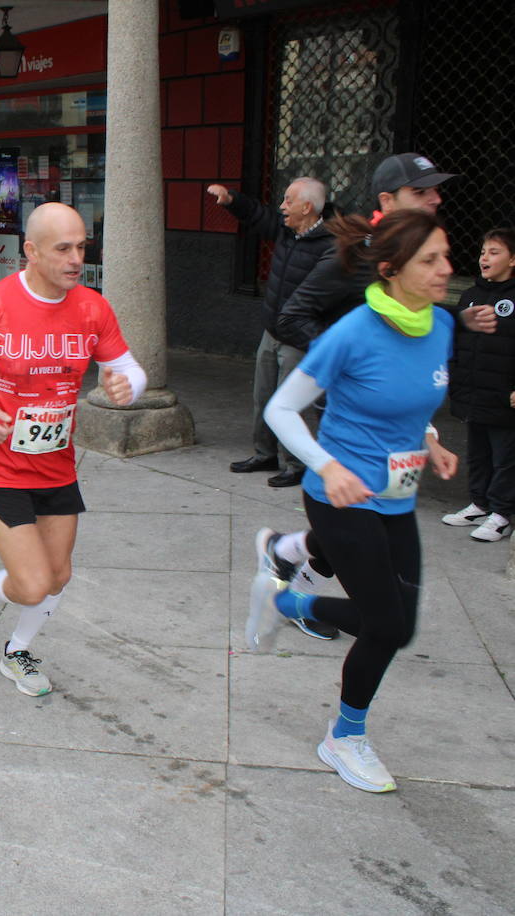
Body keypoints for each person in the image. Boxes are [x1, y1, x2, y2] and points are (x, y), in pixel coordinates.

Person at [248, 209, 458, 794]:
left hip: (396, 497)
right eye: (430, 260)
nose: (446, 269)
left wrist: (432, 443)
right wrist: (327, 465)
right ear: (391, 270)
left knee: (397, 627)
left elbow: (412, 403)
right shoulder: (353, 332)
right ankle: (344, 736)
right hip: (339, 498)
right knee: (386, 625)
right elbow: (281, 410)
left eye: (445, 256)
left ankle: (288, 606)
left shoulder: (440, 326)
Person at [0, 202, 146, 697]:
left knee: (57, 576)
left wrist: (129, 386)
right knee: (34, 582)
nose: (76, 258)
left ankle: (16, 648)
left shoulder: (91, 307)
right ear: (31, 251)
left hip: (57, 463)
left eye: (82, 247)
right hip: (0, 464)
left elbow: (130, 368)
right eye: (63, 248)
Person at [207, 178, 334, 488]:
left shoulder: (331, 245)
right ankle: (265, 453)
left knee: (291, 403)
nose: (282, 206)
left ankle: (296, 463)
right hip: (273, 328)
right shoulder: (288, 229)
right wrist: (231, 199)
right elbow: (259, 215)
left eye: (288, 201)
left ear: (307, 207)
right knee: (262, 396)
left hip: (300, 335)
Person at [276, 153, 460, 351]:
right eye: (420, 192)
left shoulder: (421, 248)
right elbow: (292, 319)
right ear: (387, 201)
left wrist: (460, 318)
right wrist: (354, 356)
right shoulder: (358, 251)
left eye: (435, 190)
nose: (436, 200)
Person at [441, 227, 515, 541]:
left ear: (513, 260)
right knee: (478, 452)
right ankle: (480, 503)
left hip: (503, 396)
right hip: (473, 391)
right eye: (483, 251)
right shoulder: (470, 295)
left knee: (505, 456)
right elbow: (458, 340)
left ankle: (502, 513)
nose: (485, 258)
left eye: (494, 252)